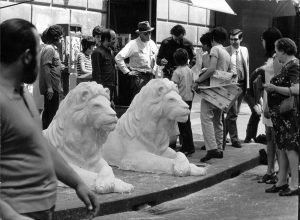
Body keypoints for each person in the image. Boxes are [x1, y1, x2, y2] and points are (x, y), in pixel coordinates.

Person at [0, 18, 99, 220]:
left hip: (42, 210)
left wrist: (77, 182)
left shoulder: (22, 93)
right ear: (27, 57)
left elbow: (41, 145)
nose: (41, 60)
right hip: (19, 212)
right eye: (38, 54)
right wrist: (10, 215)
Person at [245, 27, 282, 184]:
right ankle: (271, 171)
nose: (261, 41)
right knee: (270, 139)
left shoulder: (277, 58)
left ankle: (280, 173)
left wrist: (267, 107)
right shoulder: (274, 58)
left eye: (263, 39)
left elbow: (277, 81)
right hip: (269, 102)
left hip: (274, 104)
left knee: (276, 140)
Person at [264, 38, 299, 196]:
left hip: (289, 114)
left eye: (277, 50)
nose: (276, 53)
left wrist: (274, 88)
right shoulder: (288, 65)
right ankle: (282, 181)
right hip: (283, 115)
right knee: (283, 147)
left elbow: (297, 89)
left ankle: (294, 184)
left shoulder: (294, 66)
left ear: (284, 51)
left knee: (290, 147)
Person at [195, 27, 231, 162]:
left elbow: (211, 69)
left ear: (213, 38)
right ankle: (219, 148)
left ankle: (212, 148)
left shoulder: (215, 49)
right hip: (223, 89)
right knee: (218, 120)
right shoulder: (226, 52)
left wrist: (198, 80)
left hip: (212, 88)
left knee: (205, 117)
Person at [115, 21, 158, 101]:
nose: (148, 35)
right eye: (146, 33)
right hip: (138, 77)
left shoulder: (152, 43)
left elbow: (156, 58)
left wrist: (154, 70)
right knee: (138, 101)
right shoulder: (133, 44)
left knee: (149, 101)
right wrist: (127, 71)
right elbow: (118, 57)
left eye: (150, 33)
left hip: (150, 75)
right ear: (140, 34)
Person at [223, 29, 250, 148]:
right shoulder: (225, 51)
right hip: (231, 85)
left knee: (233, 114)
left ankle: (221, 138)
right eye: (231, 39)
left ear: (241, 39)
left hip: (242, 84)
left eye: (236, 39)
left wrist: (247, 85)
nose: (233, 41)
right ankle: (234, 139)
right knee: (232, 113)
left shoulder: (244, 50)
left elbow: (247, 67)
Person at [171, 48, 195, 156]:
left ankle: (186, 147)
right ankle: (190, 146)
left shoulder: (177, 72)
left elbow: (173, 86)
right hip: (189, 99)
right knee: (187, 123)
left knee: (182, 124)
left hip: (180, 100)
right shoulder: (190, 70)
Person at [39, 24, 64, 129]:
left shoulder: (53, 49)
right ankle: (45, 138)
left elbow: (52, 66)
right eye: (60, 36)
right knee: (49, 115)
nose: (62, 38)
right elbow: (46, 68)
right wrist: (49, 87)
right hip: (51, 89)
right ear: (55, 37)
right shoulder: (49, 49)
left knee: (52, 113)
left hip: (54, 87)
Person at [92, 28, 117, 104]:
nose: (114, 41)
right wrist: (100, 92)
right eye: (113, 39)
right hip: (103, 89)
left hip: (111, 89)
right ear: (106, 39)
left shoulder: (111, 52)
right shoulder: (97, 53)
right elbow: (96, 74)